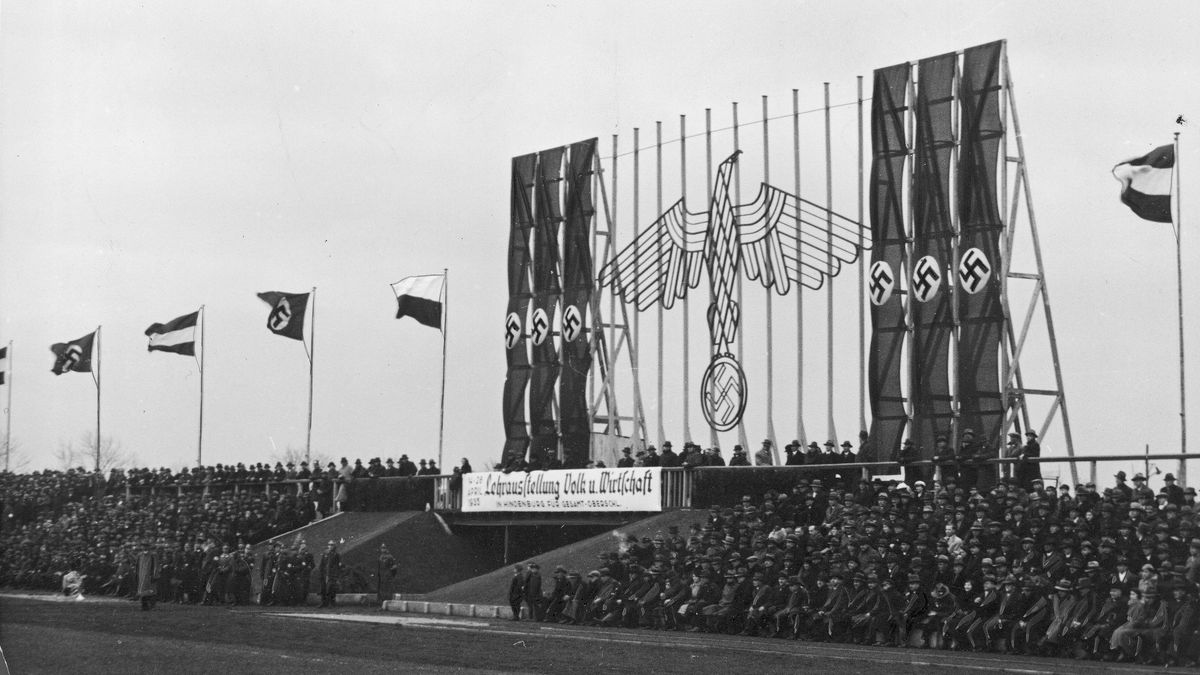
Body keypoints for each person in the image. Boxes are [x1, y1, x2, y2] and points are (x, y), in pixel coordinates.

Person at [318, 540, 341, 608]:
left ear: (334, 546)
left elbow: (337, 566)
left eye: (332, 545)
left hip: (332, 574)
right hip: (324, 574)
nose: (330, 546)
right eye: (329, 545)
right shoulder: (325, 553)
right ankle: (323, 602)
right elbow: (322, 564)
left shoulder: (336, 555)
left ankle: (332, 603)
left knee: (331, 589)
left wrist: (335, 575)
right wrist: (321, 572)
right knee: (323, 589)